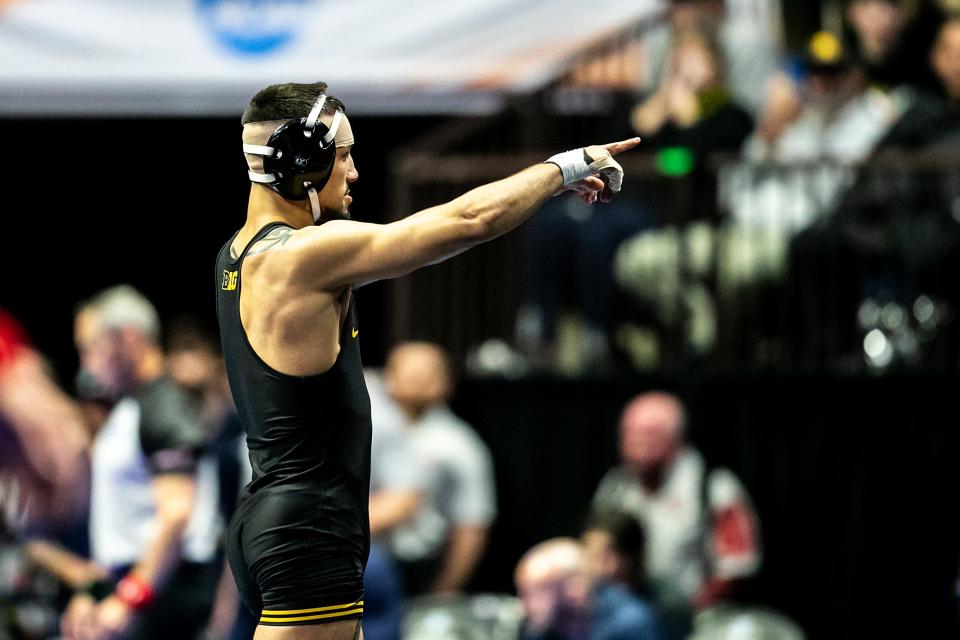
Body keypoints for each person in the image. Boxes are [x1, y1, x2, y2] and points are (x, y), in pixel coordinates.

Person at [215, 80, 639, 640]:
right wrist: (563, 167)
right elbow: (467, 222)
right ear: (302, 161)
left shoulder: (237, 255)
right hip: (309, 527)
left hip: (274, 517)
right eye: (343, 155)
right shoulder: (302, 258)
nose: (355, 172)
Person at [62, 286, 222, 640]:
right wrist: (93, 592)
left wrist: (132, 597)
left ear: (129, 339)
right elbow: (121, 521)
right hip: (137, 585)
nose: (86, 362)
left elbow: (177, 513)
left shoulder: (163, 406)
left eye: (91, 346)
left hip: (164, 594)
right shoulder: (130, 407)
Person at [591, 391, 760, 640]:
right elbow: (595, 549)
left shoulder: (712, 486)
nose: (637, 444)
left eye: (649, 434)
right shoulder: (615, 487)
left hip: (696, 622)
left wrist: (691, 609)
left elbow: (739, 565)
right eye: (629, 434)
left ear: (676, 438)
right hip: (626, 618)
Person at [382, 341, 495, 596]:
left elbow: (472, 524)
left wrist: (442, 592)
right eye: (408, 372)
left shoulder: (460, 445)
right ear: (388, 377)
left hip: (416, 566)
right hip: (354, 560)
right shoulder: (364, 429)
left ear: (448, 382)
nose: (417, 380)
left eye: (428, 374)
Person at [515, 537, 664, 640]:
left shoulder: (630, 623)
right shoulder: (538, 627)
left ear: (574, 587)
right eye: (524, 594)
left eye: (537, 593)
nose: (525, 607)